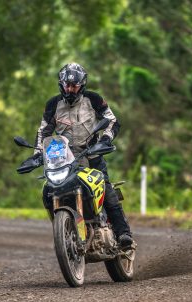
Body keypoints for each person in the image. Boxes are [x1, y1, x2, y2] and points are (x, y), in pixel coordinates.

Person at [33, 62, 133, 248]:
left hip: (92, 154)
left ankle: (123, 234)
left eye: (74, 85)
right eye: (67, 85)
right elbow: (43, 132)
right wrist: (38, 154)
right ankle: (63, 231)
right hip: (64, 159)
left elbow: (112, 121)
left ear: (82, 85)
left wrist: (105, 140)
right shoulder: (53, 104)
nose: (70, 89)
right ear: (61, 84)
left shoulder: (93, 99)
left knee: (106, 190)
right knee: (48, 191)